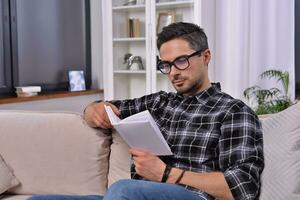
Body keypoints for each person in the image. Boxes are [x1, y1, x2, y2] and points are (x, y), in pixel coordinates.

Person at [29, 22, 264, 200]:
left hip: (191, 196)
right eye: (166, 64)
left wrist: (166, 173)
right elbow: (105, 108)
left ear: (206, 57)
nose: (173, 72)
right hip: (135, 196)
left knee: (122, 190)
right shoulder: (159, 102)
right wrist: (94, 109)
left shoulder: (233, 111)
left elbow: (244, 186)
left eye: (181, 61)